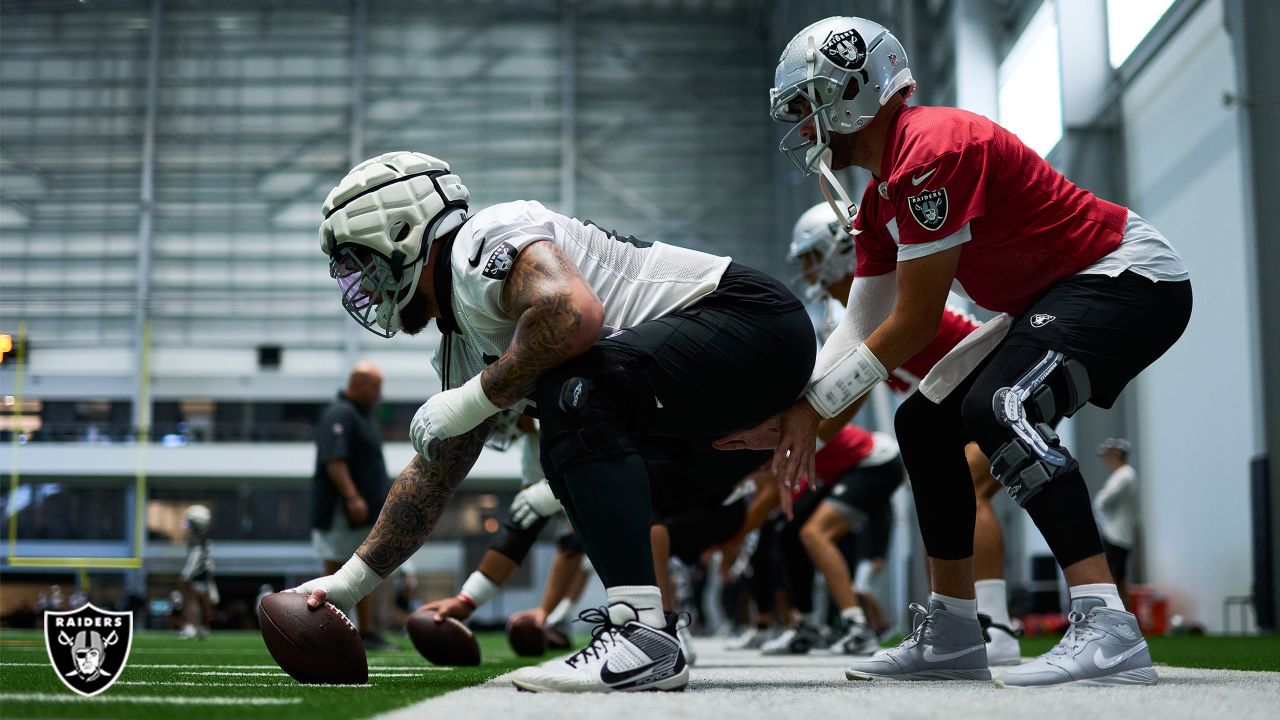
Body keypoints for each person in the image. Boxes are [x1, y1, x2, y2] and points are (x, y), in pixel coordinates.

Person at [727, 16, 1191, 686]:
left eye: (809, 105)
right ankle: (953, 632)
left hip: (1129, 277)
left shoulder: (930, 151)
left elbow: (913, 325)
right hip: (1052, 295)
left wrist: (814, 411)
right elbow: (858, 331)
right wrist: (799, 412)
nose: (802, 125)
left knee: (999, 405)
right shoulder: (879, 198)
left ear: (856, 88)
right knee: (923, 421)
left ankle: (1107, 626)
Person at [291, 151, 814, 694]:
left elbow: (572, 314)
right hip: (708, 398)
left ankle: (641, 632)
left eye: (364, 264)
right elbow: (434, 476)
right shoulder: (461, 341)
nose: (363, 288)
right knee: (568, 451)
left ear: (399, 231)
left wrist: (475, 399)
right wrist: (350, 582)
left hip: (750, 322)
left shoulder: (482, 242)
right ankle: (648, 635)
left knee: (569, 393)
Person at [788, 202, 1022, 663]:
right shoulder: (858, 312)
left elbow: (846, 394)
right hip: (966, 405)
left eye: (813, 256)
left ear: (838, 247)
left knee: (969, 491)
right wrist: (802, 439)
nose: (809, 269)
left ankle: (995, 626)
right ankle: (965, 621)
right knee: (946, 502)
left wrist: (802, 438)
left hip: (1000, 385)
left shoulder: (887, 295)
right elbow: (843, 397)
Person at [311, 361, 394, 651]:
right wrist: (352, 497)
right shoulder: (341, 412)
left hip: (357, 511)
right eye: (376, 388)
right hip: (341, 510)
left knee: (360, 567)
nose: (379, 395)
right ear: (358, 384)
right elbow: (334, 460)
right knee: (337, 567)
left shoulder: (360, 415)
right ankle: (330, 627)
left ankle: (365, 630)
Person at [1095, 438, 1138, 606]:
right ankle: (1120, 612)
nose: (1106, 459)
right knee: (1117, 577)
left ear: (1117, 455)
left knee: (1114, 578)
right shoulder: (1123, 475)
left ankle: (1120, 612)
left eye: (1108, 454)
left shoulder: (1125, 475)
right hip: (1114, 533)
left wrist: (1101, 497)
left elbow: (1103, 500)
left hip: (1117, 535)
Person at [178, 504, 217, 640]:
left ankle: (190, 627)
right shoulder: (205, 540)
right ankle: (203, 629)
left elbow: (194, 560)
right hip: (205, 576)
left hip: (198, 575)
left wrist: (185, 575)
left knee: (192, 601)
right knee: (203, 603)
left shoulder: (197, 541)